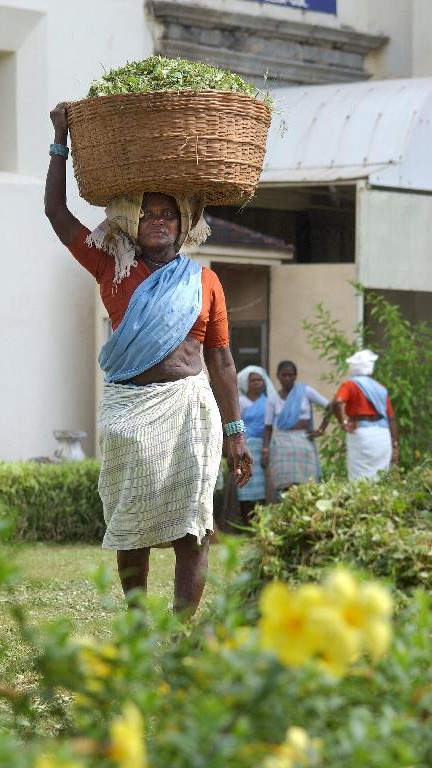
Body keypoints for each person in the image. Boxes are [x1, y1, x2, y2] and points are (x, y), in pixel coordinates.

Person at [44, 103, 252, 617]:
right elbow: (56, 214)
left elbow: (222, 362)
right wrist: (60, 143)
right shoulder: (108, 265)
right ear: (130, 221)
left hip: (189, 410)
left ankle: (179, 635)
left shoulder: (204, 281)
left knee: (193, 528)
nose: (157, 222)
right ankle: (139, 627)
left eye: (167, 214)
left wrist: (236, 431)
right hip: (129, 412)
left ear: (183, 224)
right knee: (130, 526)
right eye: (147, 213)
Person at [262, 360, 331, 497]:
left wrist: (321, 429)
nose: (287, 378)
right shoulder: (273, 399)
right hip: (281, 444)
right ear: (278, 376)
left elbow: (330, 407)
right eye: (284, 375)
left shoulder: (305, 391)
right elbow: (268, 427)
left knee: (306, 483)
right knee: (285, 485)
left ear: (295, 376)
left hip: (303, 441)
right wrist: (265, 450)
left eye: (290, 375)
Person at [332, 349, 398, 480]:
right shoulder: (380, 388)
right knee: (380, 475)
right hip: (383, 435)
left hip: (362, 433)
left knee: (359, 477)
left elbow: (337, 402)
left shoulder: (350, 384)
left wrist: (343, 422)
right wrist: (395, 443)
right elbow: (391, 418)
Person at [232, 366, 275, 523]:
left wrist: (266, 449)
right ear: (246, 383)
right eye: (253, 380)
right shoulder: (240, 402)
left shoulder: (269, 402)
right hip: (246, 447)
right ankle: (247, 523)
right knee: (246, 486)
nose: (257, 383)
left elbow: (269, 427)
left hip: (264, 447)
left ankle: (262, 523)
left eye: (259, 380)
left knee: (264, 488)